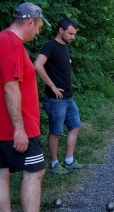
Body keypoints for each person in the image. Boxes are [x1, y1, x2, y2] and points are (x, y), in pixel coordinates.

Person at [0, 2, 66, 212]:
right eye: (38, 27)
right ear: (30, 22)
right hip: (18, 127)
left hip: (3, 127)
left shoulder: (3, 40)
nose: (38, 32)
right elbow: (10, 86)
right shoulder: (11, 43)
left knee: (2, 173)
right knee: (35, 172)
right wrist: (19, 129)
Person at [34, 18, 87, 175]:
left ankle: (69, 161)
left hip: (68, 98)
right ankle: (54, 164)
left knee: (76, 126)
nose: (73, 37)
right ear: (61, 30)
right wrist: (52, 85)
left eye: (74, 34)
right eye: (70, 33)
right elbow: (37, 65)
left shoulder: (65, 46)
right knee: (56, 132)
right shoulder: (50, 46)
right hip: (55, 99)